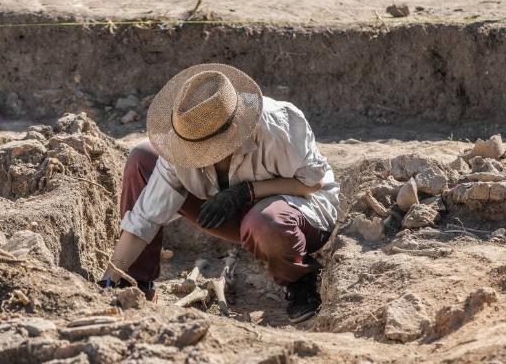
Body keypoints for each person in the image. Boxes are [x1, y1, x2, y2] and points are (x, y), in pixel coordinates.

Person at [99, 63, 339, 323]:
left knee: (265, 222)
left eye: (207, 148)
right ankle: (134, 286)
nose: (197, 156)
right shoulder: (183, 141)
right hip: (233, 214)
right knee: (143, 157)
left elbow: (312, 183)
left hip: (300, 212)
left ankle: (300, 279)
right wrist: (111, 276)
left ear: (234, 130)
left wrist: (246, 192)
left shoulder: (278, 125)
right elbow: (145, 217)